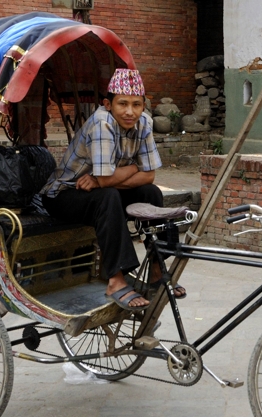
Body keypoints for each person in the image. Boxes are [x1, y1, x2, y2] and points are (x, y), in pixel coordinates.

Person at [40, 68, 185, 311]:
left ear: (143, 105)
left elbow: (149, 175)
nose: (130, 111)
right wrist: (127, 170)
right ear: (108, 104)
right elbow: (112, 181)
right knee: (108, 196)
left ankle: (158, 269)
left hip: (98, 189)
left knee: (152, 193)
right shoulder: (102, 122)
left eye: (136, 104)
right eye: (123, 104)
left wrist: (101, 179)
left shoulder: (144, 123)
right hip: (63, 194)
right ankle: (116, 279)